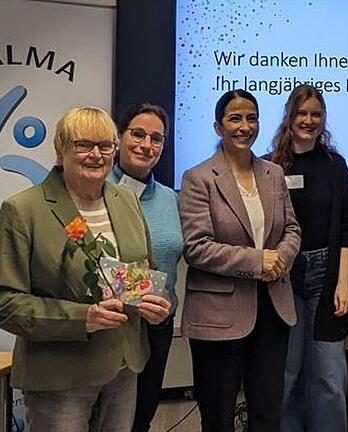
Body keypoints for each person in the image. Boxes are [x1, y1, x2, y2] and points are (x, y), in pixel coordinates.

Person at [0, 107, 171, 432]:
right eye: (83, 145)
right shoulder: (24, 211)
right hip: (61, 376)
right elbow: (6, 303)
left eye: (105, 146)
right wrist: (83, 318)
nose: (96, 154)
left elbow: (140, 272)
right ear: (61, 149)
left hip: (124, 367)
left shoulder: (125, 200)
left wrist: (154, 303)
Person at [179, 89, 301, 432]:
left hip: (272, 310)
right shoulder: (198, 178)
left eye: (251, 118)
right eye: (235, 118)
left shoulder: (273, 173)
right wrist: (257, 260)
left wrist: (281, 258)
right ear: (219, 127)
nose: (244, 126)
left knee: (267, 411)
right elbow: (196, 246)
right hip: (219, 317)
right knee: (218, 415)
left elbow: (291, 229)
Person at [267, 85, 348, 432]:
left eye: (316, 114)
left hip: (326, 275)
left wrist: (343, 283)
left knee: (330, 377)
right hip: (283, 277)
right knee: (285, 374)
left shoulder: (335, 165)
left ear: (323, 119)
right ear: (290, 117)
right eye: (302, 114)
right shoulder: (270, 166)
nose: (308, 120)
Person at [109, 103, 184, 432]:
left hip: (158, 325)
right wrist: (143, 296)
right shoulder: (96, 188)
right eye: (137, 134)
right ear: (119, 136)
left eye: (156, 138)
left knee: (143, 413)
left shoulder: (170, 198)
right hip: (110, 323)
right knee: (106, 417)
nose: (146, 145)